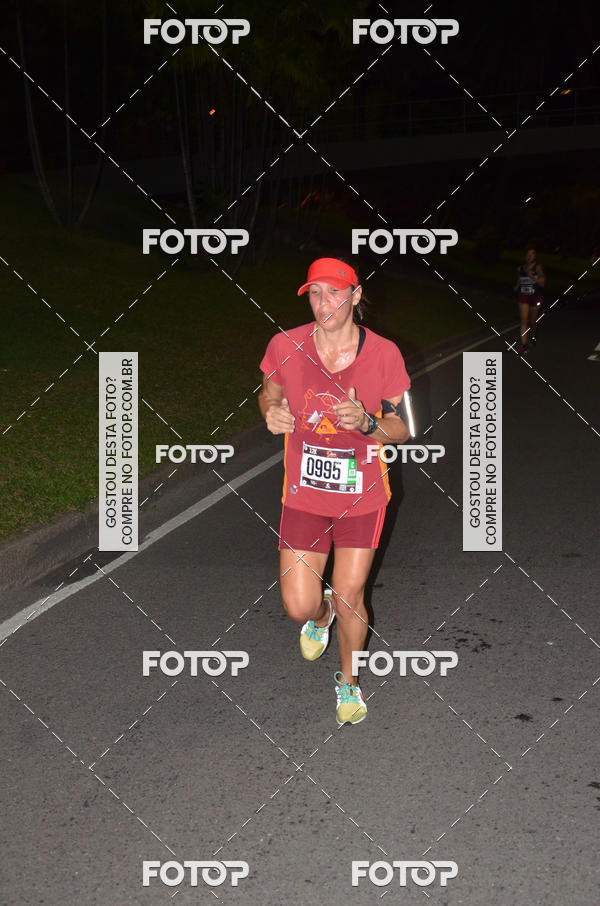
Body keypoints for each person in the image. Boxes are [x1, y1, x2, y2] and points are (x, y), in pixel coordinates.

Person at [258, 257, 410, 725]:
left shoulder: (384, 354)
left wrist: (367, 423)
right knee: (298, 605)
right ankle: (320, 617)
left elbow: (402, 429)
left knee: (349, 595)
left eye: (334, 292)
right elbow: (268, 393)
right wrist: (270, 412)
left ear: (356, 295)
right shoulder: (285, 345)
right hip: (304, 494)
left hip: (362, 495)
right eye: (315, 293)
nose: (324, 303)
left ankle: (349, 680)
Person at [514, 246, 545, 355]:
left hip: (535, 297)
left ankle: (533, 336)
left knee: (533, 321)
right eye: (528, 254)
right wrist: (517, 286)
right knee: (524, 320)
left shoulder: (538, 268)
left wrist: (532, 276)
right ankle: (523, 345)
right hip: (523, 296)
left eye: (531, 254)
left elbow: (543, 283)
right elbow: (520, 279)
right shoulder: (520, 268)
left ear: (535, 257)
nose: (529, 256)